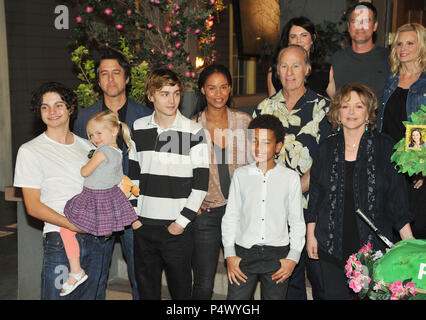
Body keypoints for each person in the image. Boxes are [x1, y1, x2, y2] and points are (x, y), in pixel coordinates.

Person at [305, 83, 415, 300]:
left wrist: (410, 246)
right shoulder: (327, 148)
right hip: (331, 245)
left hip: (374, 251)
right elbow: (316, 196)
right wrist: (311, 235)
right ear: (337, 112)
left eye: (358, 106)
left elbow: (397, 201)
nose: (352, 112)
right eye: (345, 107)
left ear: (369, 113)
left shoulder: (385, 147)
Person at [13, 82, 112, 299]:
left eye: (59, 105)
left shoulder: (89, 147)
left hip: (96, 240)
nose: (52, 112)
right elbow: (33, 206)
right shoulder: (30, 151)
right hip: (60, 239)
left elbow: (103, 188)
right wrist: (74, 225)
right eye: (45, 107)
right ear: (39, 112)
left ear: (70, 108)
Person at [73, 50, 152, 299]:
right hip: (98, 207)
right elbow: (80, 159)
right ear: (98, 81)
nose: (110, 79)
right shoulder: (85, 117)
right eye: (104, 74)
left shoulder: (146, 117)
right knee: (94, 275)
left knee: (141, 275)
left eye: (116, 73)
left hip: (134, 208)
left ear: (127, 78)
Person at [255, 44, 331, 300]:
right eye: (284, 66)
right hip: (276, 212)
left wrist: (295, 187)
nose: (289, 72)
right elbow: (255, 157)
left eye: (296, 65)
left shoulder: (324, 109)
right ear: (276, 71)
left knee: (322, 281)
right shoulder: (264, 108)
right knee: (289, 283)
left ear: (307, 69)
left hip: (316, 208)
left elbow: (327, 160)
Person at [128, 68, 210, 300]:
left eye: (176, 93)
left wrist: (181, 223)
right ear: (150, 95)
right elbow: (132, 176)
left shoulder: (194, 131)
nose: (172, 100)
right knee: (147, 293)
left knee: (181, 293)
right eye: (164, 94)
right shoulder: (138, 127)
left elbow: (200, 184)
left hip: (177, 229)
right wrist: (133, 217)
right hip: (143, 226)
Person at [221, 114, 306, 300]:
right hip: (243, 252)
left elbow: (297, 221)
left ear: (278, 146)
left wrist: (292, 257)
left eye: (266, 143)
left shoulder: (290, 178)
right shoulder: (240, 175)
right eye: (255, 141)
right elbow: (231, 216)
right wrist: (229, 254)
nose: (259, 148)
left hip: (278, 255)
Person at [60, 110, 138, 296]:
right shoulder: (118, 152)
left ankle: (76, 271)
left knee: (66, 230)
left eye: (98, 133)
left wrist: (83, 163)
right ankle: (78, 273)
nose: (94, 138)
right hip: (108, 198)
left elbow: (85, 172)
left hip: (93, 198)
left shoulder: (102, 151)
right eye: (91, 135)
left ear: (114, 131)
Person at [191, 64, 252, 299]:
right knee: (204, 282)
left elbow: (256, 165)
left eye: (224, 87)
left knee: (239, 279)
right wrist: (192, 203)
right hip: (206, 213)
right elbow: (184, 170)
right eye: (212, 87)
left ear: (230, 88)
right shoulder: (191, 126)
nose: (218, 93)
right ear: (202, 90)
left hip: (240, 211)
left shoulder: (244, 121)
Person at [381, 23, 426, 239]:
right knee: (389, 231)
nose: (403, 48)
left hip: (413, 172)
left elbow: (420, 126)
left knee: (414, 233)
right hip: (387, 166)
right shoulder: (390, 81)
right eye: (399, 43)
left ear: (421, 46)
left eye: (410, 43)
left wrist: (419, 166)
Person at [329, 2, 390, 128]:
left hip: (381, 138)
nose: (360, 26)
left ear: (375, 26)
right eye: (355, 21)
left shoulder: (389, 59)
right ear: (348, 26)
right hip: (344, 137)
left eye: (366, 21)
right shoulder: (336, 60)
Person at [268, 16, 333, 98]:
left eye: (304, 35)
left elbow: (338, 104)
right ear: (288, 41)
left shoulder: (325, 70)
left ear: (313, 39)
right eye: (293, 36)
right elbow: (270, 106)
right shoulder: (275, 70)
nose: (298, 41)